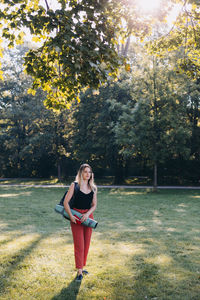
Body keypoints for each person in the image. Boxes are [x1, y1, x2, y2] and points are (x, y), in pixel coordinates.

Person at [64, 163, 97, 282]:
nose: (87, 174)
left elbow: (94, 205)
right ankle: (79, 272)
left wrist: (88, 214)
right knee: (79, 245)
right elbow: (66, 202)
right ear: (81, 173)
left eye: (89, 172)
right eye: (85, 171)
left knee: (87, 243)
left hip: (88, 218)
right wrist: (71, 216)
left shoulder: (93, 188)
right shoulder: (75, 185)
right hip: (76, 217)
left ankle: (82, 267)